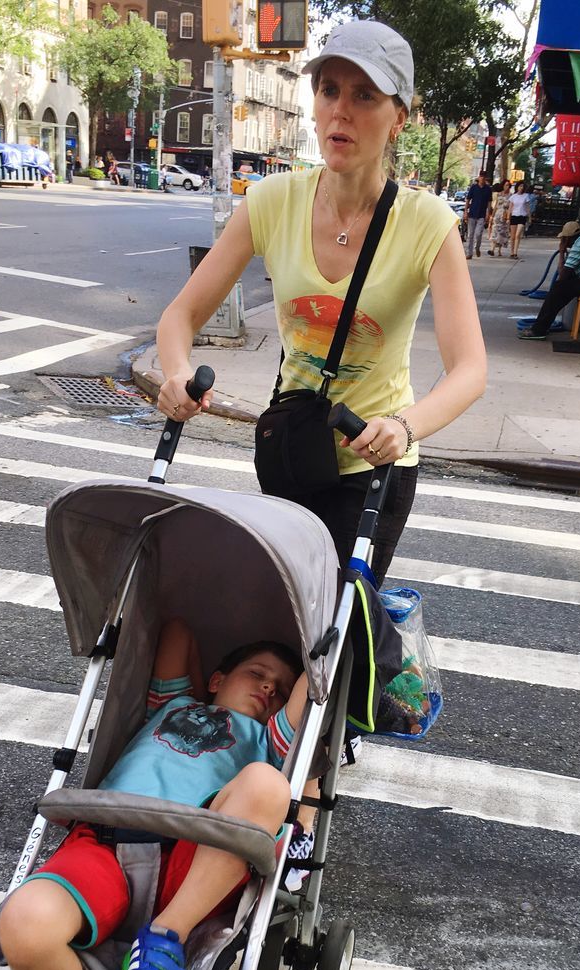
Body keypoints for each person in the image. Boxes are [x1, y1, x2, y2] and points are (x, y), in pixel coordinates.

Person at [152, 18, 485, 865]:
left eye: (363, 96)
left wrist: (406, 424)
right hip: (294, 450)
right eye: (328, 90)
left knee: (331, 625)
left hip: (375, 462)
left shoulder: (428, 227)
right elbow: (181, 315)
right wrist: (175, 370)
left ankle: (298, 802)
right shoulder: (271, 203)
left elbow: (470, 368)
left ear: (399, 115)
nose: (340, 111)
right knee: (292, 612)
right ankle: (288, 750)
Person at [0, 618, 307, 970]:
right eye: (256, 674)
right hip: (104, 842)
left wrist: (318, 647)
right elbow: (178, 629)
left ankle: (165, 936)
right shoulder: (170, 705)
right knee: (24, 925)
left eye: (277, 688)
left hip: (196, 860)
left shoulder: (268, 738)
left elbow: (306, 694)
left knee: (267, 785)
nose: (267, 688)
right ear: (215, 679)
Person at [518, 220, 580, 341]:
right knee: (560, 288)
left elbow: (563, 275)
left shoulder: (579, 247)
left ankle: (539, 330)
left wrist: (562, 251)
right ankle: (541, 326)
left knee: (559, 288)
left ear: (568, 238)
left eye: (563, 238)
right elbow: (566, 274)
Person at [463, 171, 492, 259]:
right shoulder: (473, 187)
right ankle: (469, 253)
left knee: (478, 234)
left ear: (485, 178)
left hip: (482, 215)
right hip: (472, 213)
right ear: (478, 177)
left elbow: (489, 202)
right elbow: (468, 200)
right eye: (481, 176)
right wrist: (465, 212)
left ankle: (477, 247)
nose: (482, 178)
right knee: (470, 234)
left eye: (484, 177)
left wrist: (488, 213)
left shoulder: (488, 189)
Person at [486, 179, 511, 256]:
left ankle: (499, 250)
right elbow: (496, 206)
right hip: (498, 215)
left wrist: (508, 218)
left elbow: (510, 207)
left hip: (505, 215)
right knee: (495, 231)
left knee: (502, 233)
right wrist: (492, 216)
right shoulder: (499, 194)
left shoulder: (511, 196)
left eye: (508, 185)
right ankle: (492, 249)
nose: (506, 187)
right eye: (505, 185)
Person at [507, 180, 531, 258]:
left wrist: (529, 217)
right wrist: (508, 217)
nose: (521, 188)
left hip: (522, 216)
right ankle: (511, 252)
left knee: (518, 235)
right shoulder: (513, 197)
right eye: (520, 186)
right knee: (512, 236)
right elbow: (510, 208)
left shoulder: (526, 196)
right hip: (514, 216)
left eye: (522, 186)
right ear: (517, 187)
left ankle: (515, 252)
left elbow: (527, 208)